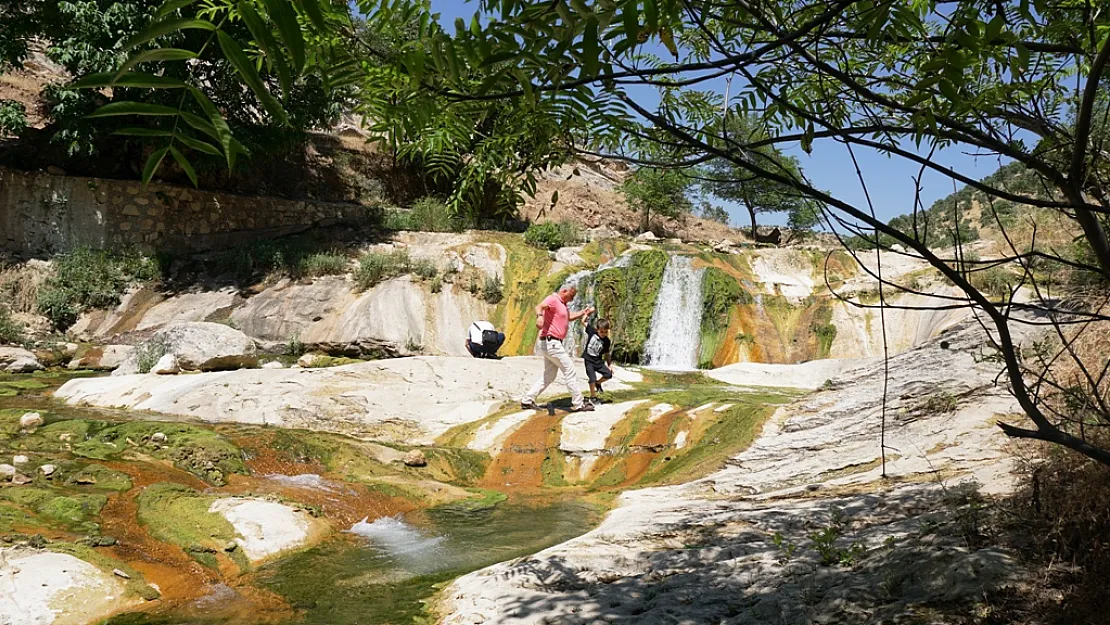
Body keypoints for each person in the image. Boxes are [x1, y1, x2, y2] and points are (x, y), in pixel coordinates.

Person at [520, 283, 595, 412]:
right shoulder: (554, 299)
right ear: (564, 291)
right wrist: (539, 317)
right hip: (552, 342)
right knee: (569, 369)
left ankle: (527, 400)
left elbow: (568, 317)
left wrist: (584, 312)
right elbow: (539, 306)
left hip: (550, 343)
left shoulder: (563, 305)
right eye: (571, 295)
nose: (572, 299)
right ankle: (579, 404)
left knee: (549, 375)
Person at [582, 318, 614, 403]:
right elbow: (583, 321)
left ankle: (598, 383)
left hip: (598, 361)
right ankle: (593, 396)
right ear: (597, 329)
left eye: (606, 332)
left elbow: (607, 354)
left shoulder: (607, 341)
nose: (603, 334)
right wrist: (586, 314)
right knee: (592, 378)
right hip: (589, 360)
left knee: (608, 374)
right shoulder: (592, 331)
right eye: (602, 332)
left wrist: (610, 365)